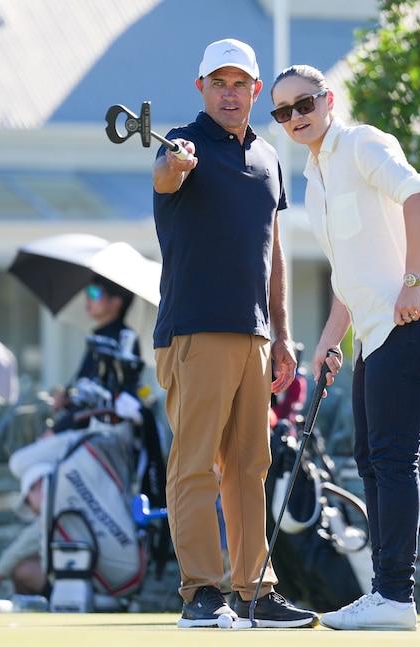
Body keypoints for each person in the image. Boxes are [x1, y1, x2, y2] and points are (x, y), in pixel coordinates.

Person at [270, 65, 420, 630]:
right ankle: (386, 593)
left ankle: (395, 597)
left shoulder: (361, 144)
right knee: (370, 461)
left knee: (391, 458)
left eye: (303, 103)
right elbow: (348, 277)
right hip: (376, 331)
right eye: (283, 112)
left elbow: (419, 196)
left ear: (328, 100)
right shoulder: (312, 180)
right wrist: (329, 343)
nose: (295, 117)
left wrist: (412, 281)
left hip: (415, 316)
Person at [151, 39, 316, 628]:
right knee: (196, 464)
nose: (229, 91)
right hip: (194, 332)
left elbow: (273, 254)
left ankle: (254, 592)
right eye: (218, 82)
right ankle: (201, 591)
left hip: (255, 336)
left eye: (240, 82)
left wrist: (284, 335)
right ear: (201, 89)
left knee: (251, 464)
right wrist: (176, 165)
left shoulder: (270, 158)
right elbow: (166, 177)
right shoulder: (180, 144)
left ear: (254, 90)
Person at [48, 276, 142, 435]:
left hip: (100, 435)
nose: (88, 297)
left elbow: (102, 398)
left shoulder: (124, 340)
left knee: (20, 460)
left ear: (116, 302)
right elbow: (87, 388)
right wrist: (67, 398)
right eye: (88, 291)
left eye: (95, 292)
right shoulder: (101, 337)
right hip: (83, 430)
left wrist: (55, 431)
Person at [0, 462, 52, 609]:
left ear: (38, 485)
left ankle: (32, 611)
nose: (32, 510)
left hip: (81, 583)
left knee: (23, 569)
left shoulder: (51, 515)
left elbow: (16, 552)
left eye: (28, 500)